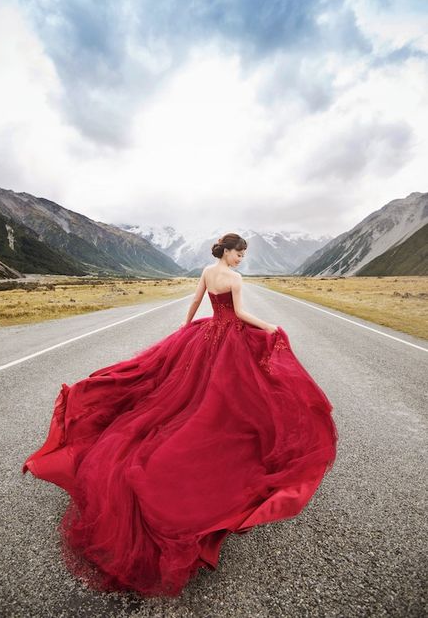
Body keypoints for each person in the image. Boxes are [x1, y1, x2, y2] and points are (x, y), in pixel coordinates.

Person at [22, 232, 338, 598]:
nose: (241, 260)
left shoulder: (207, 270)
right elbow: (237, 314)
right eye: (240, 254)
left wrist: (186, 329)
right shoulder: (233, 279)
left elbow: (196, 301)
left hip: (204, 337)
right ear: (230, 252)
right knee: (220, 396)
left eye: (243, 255)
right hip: (227, 337)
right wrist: (269, 327)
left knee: (191, 391)